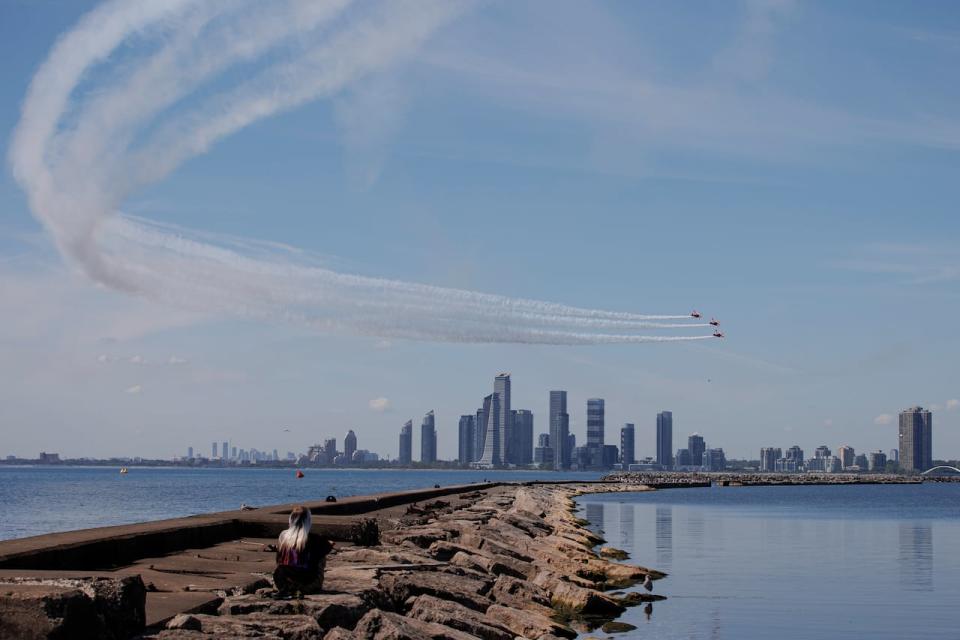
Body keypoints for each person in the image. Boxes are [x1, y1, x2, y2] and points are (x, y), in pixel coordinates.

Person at [273, 506, 333, 596]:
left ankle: (288, 587)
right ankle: (309, 585)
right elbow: (327, 548)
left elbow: (278, 560)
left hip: (282, 582)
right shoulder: (315, 539)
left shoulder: (283, 536)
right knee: (320, 557)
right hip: (307, 584)